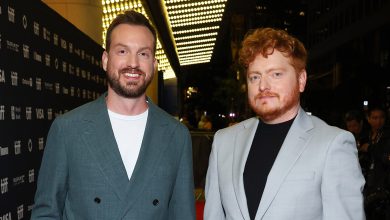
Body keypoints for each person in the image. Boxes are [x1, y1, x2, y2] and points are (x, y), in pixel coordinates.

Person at [31, 10, 195, 220]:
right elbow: (46, 213)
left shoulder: (177, 136)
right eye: (122, 51)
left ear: (154, 64)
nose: (133, 63)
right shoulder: (68, 129)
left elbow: (183, 215)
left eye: (143, 53)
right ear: (105, 60)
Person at [204, 28, 365, 220]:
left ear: (301, 79)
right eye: (255, 77)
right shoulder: (223, 142)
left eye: (276, 74)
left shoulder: (334, 144)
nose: (263, 86)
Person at [363, 106, 390, 220]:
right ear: (368, 118)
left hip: (384, 181)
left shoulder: (387, 136)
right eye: (374, 118)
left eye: (381, 117)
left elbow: (386, 158)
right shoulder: (366, 135)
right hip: (368, 180)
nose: (378, 121)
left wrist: (370, 148)